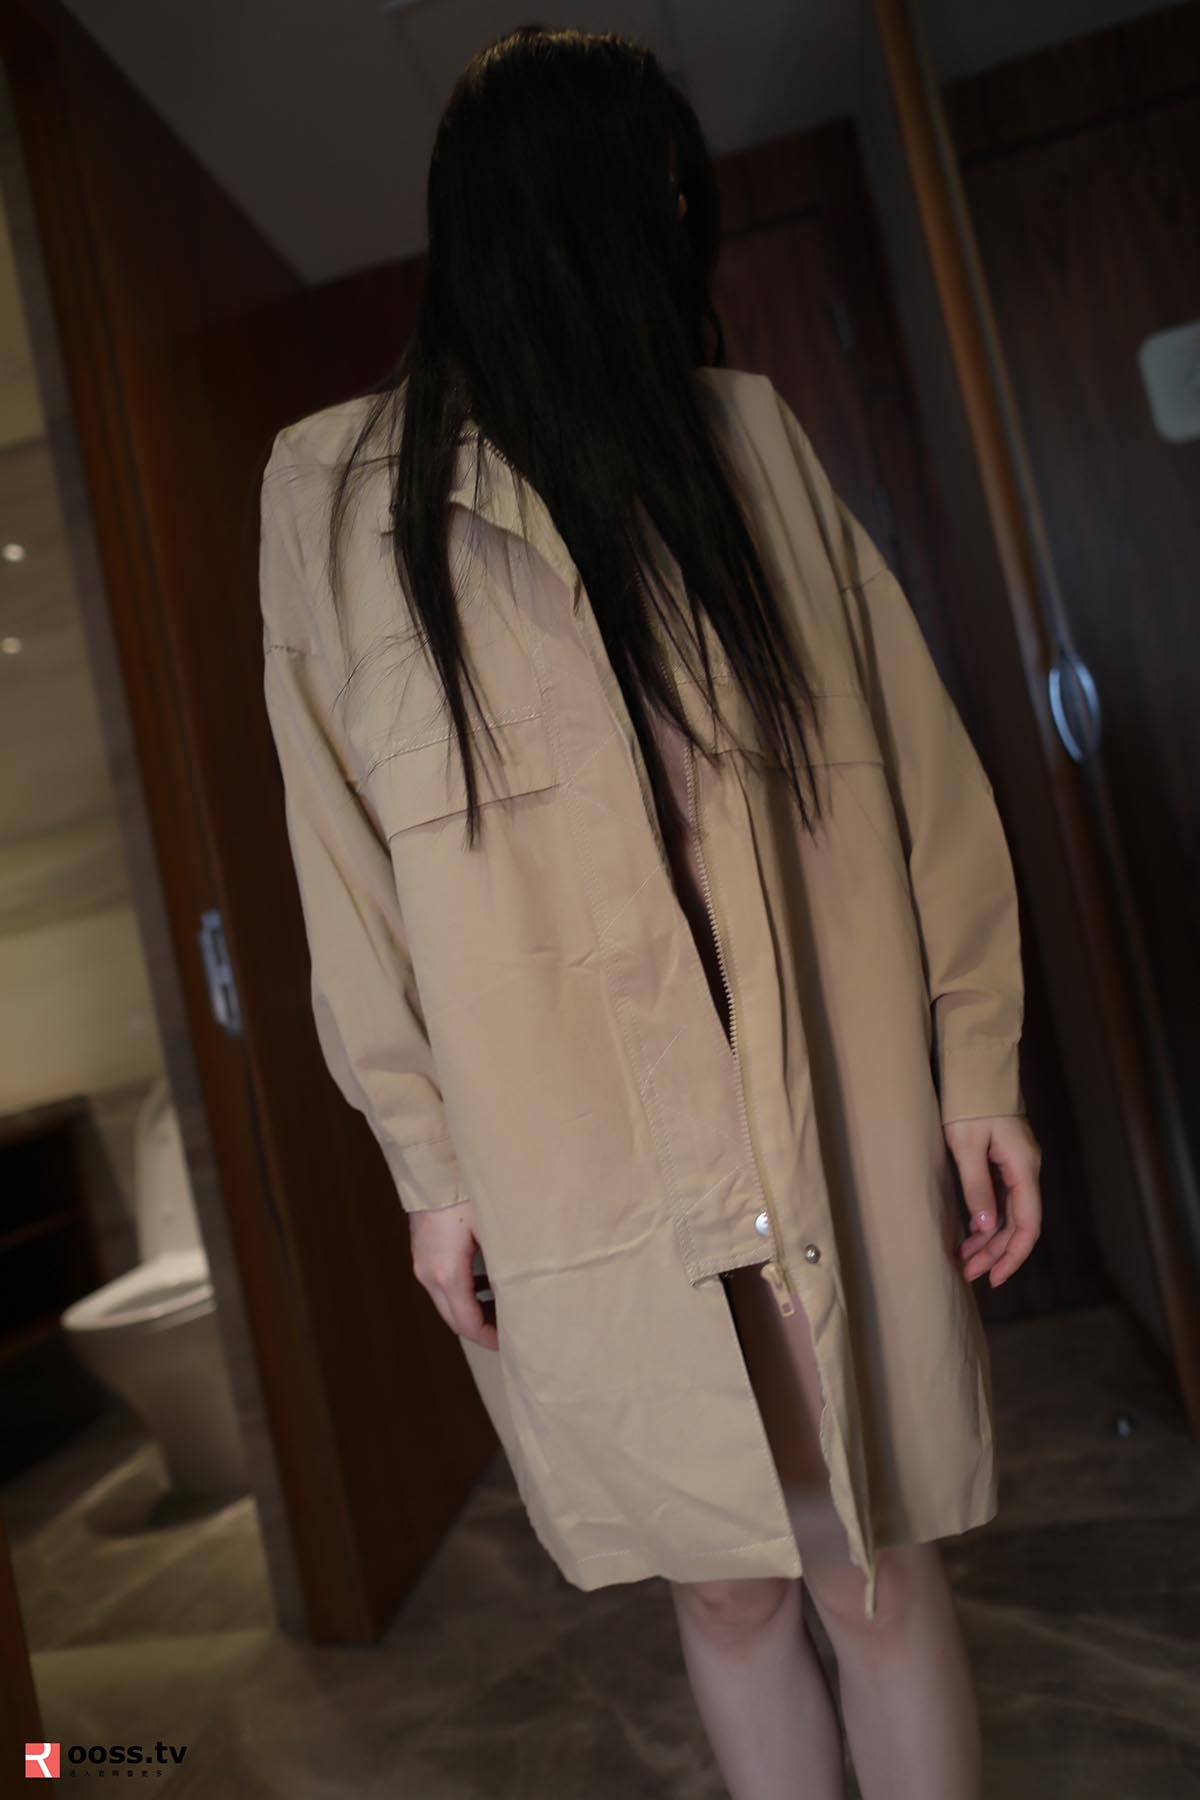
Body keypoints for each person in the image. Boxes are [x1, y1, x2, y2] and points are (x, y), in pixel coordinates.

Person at [258, 25, 1043, 1799]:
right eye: (659, 200)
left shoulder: (744, 442)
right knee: (726, 1586)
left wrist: (976, 1061)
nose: (685, 234)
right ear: (560, 215)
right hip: (580, 1148)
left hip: (816, 1096)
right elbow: (342, 867)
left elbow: (922, 772)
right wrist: (426, 1164)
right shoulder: (332, 499)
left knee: (873, 1562)